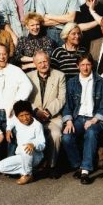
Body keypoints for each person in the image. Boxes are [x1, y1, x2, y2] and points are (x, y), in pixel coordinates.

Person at [61, 53, 103, 185]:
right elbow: (67, 105)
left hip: (95, 120)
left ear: (92, 65)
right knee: (66, 137)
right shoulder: (71, 82)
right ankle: (79, 165)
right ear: (77, 66)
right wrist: (69, 121)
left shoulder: (101, 82)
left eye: (88, 64)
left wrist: (94, 120)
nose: (85, 67)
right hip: (77, 118)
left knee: (91, 132)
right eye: (82, 65)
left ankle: (86, 171)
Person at [27, 50, 66, 178]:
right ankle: (31, 166)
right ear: (35, 64)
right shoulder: (28, 77)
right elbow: (25, 98)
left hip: (53, 117)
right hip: (34, 117)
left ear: (49, 61)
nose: (43, 65)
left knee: (55, 134)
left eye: (45, 61)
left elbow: (61, 98)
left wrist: (48, 112)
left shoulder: (59, 75)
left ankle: (52, 165)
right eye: (40, 63)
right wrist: (36, 111)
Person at [0, 100, 46, 185]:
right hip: (21, 155)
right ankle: (29, 170)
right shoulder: (16, 120)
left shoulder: (37, 125)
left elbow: (42, 144)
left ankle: (28, 174)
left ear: (31, 113)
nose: (25, 118)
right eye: (21, 116)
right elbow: (11, 122)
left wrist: (34, 145)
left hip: (35, 156)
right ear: (17, 116)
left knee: (24, 147)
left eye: (27, 114)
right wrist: (8, 129)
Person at [0, 43, 33, 133]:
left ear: (8, 55)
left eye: (4, 54)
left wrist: (15, 103)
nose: (2, 57)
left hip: (11, 113)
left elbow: (28, 86)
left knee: (13, 138)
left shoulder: (16, 70)